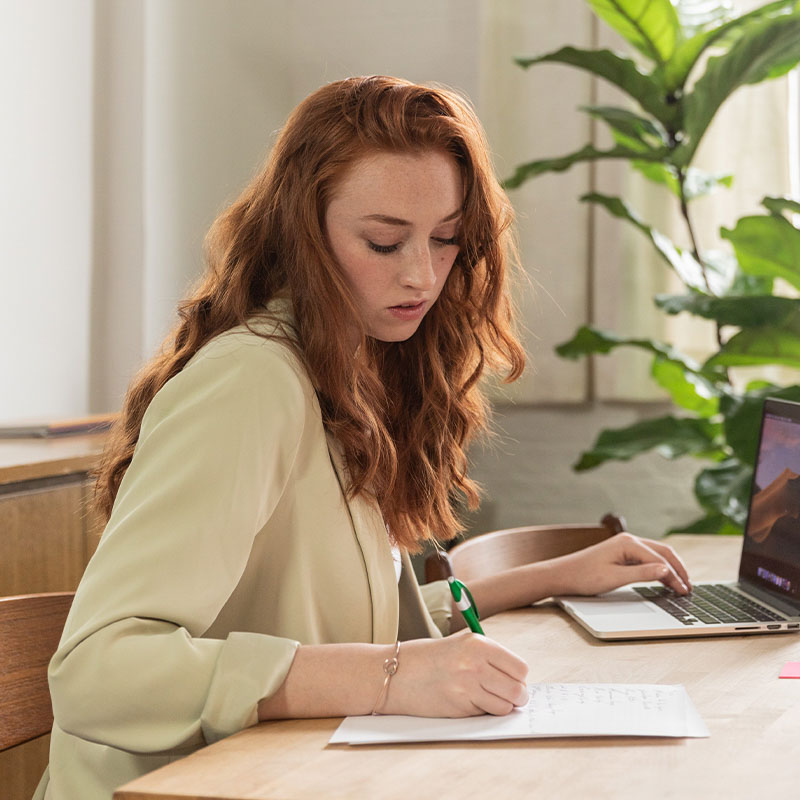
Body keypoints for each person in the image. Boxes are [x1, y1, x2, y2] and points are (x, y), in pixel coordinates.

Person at [35, 75, 691, 800]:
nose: (421, 275)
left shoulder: (355, 371)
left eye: (445, 240)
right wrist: (389, 675)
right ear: (301, 232)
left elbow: (343, 627)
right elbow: (96, 673)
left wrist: (551, 578)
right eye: (383, 242)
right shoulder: (252, 383)